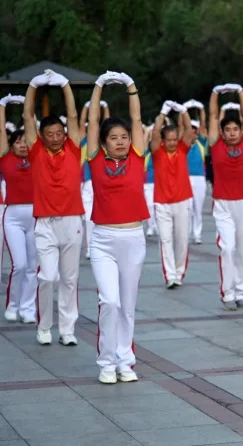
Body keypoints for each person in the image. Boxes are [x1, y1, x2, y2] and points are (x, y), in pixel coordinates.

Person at [86, 71, 149, 384]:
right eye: (114, 137)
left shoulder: (137, 158)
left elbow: (136, 119)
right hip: (103, 240)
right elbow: (94, 121)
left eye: (124, 136)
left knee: (127, 305)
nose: (121, 141)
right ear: (103, 143)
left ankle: (126, 361)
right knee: (108, 301)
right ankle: (106, 362)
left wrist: (130, 86)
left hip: (133, 238)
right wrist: (98, 86)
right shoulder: (95, 159)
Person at [23, 69, 84, 347]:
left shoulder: (73, 149)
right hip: (45, 222)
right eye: (51, 134)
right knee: (47, 277)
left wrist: (65, 85)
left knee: (69, 279)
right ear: (42, 136)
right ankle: (44, 325)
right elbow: (27, 117)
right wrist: (33, 86)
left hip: (72, 221)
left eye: (60, 133)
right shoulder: (36, 151)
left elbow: (73, 116)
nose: (57, 137)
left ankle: (67, 329)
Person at [208, 83, 243, 310]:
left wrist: (240, 92)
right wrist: (215, 93)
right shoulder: (216, 145)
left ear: (241, 131)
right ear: (222, 132)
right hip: (223, 204)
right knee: (227, 247)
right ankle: (227, 293)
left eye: (235, 129)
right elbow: (211, 115)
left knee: (241, 249)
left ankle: (240, 292)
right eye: (227, 129)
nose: (231, 133)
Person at [150, 101, 196, 288]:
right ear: (163, 140)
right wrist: (162, 114)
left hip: (182, 199)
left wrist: (183, 111)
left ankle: (179, 272)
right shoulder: (157, 152)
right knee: (166, 239)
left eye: (174, 139)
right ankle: (170, 276)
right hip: (162, 202)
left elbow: (189, 131)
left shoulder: (182, 149)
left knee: (182, 238)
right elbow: (154, 133)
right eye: (168, 139)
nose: (172, 142)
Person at [0, 96, 36, 324]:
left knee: (33, 266)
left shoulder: (37, 158)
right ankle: (12, 304)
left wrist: (27, 107)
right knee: (20, 265)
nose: (23, 144)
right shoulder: (5, 159)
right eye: (18, 142)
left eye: (26, 141)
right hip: (13, 216)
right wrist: (2, 105)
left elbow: (33, 125)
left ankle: (28, 308)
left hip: (36, 216)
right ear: (11, 145)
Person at [79, 100, 109, 257]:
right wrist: (86, 106)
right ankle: (91, 248)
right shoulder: (85, 142)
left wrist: (105, 107)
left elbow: (108, 122)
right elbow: (82, 123)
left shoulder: (105, 143)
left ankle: (104, 246)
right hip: (88, 183)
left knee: (106, 215)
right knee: (89, 218)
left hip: (104, 182)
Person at [183, 99, 208, 245]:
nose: (192, 130)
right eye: (190, 128)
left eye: (194, 129)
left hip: (199, 179)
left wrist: (201, 108)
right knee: (187, 209)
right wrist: (184, 109)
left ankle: (197, 234)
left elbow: (204, 125)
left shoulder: (201, 142)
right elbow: (181, 125)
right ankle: (186, 234)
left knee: (197, 208)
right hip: (185, 179)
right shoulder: (183, 143)